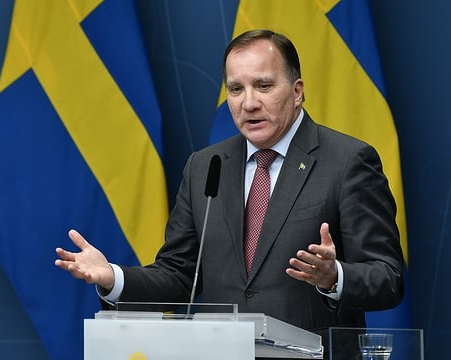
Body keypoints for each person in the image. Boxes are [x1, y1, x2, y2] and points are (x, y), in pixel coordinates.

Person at [55, 29, 404, 343]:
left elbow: (387, 278)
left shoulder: (348, 161)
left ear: (297, 92)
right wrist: (112, 278)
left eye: (263, 86)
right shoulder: (206, 166)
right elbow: (179, 276)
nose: (248, 102)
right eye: (236, 89)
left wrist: (334, 276)